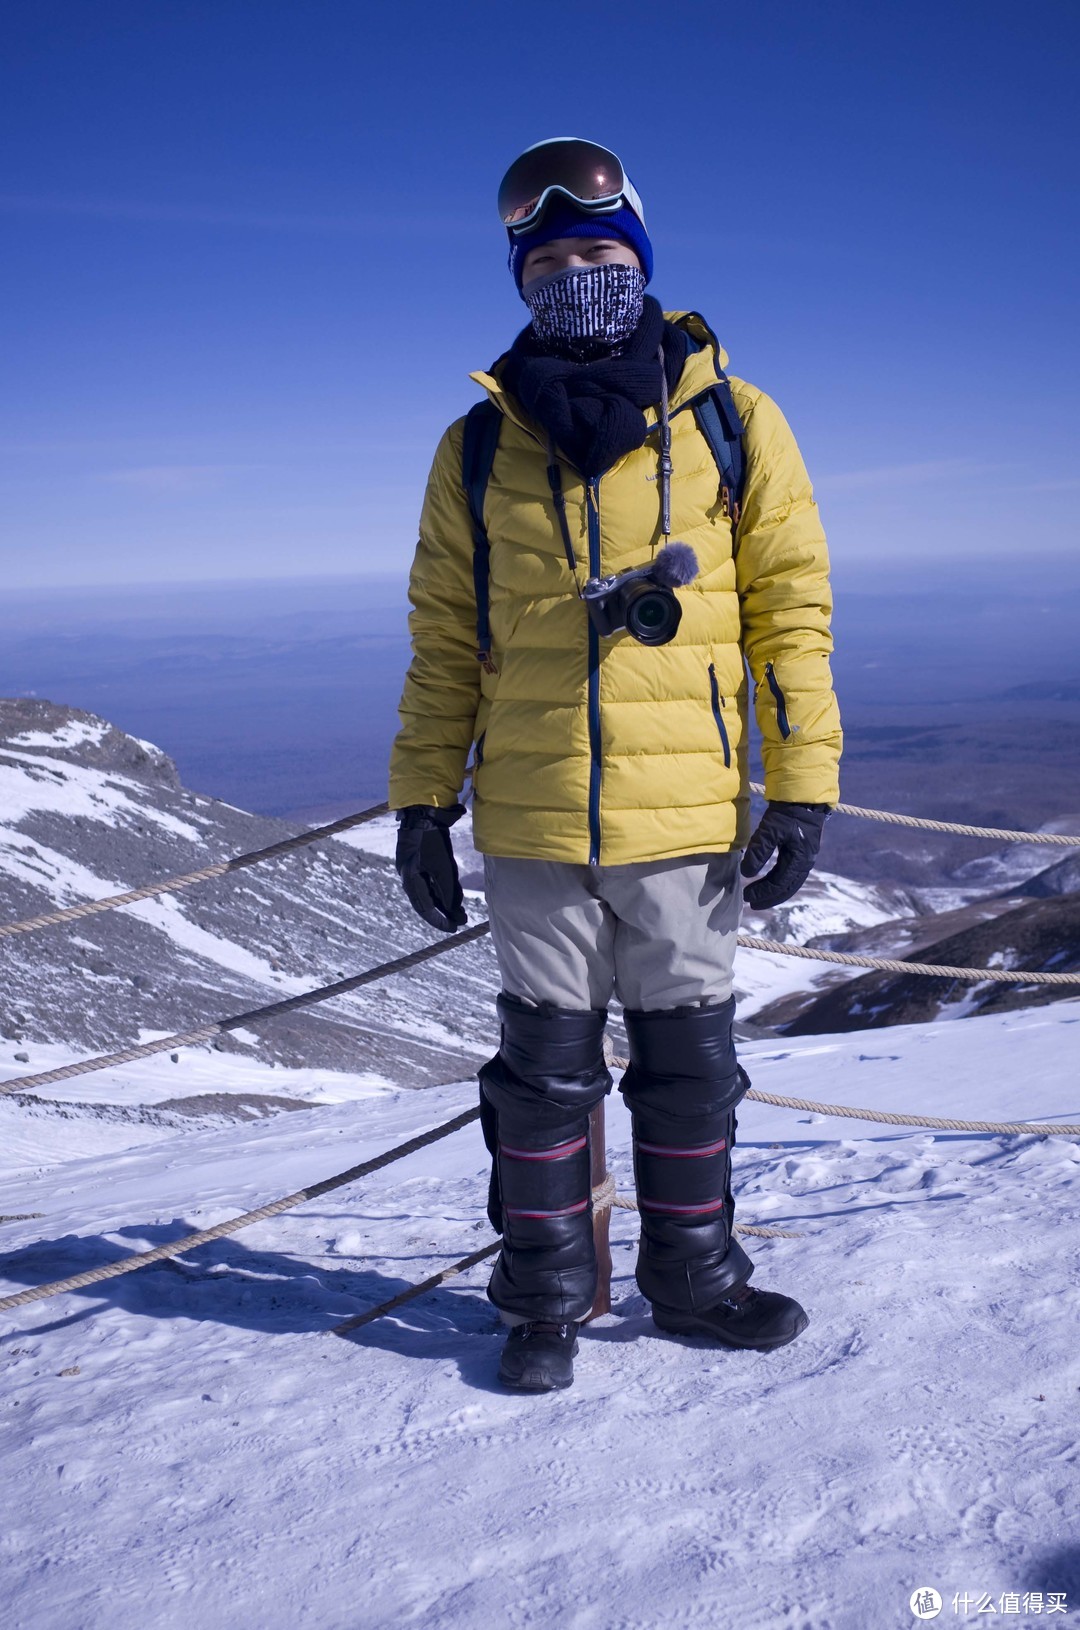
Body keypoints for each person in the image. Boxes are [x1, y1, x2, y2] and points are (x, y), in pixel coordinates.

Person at [389, 137, 842, 1391]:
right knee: (542, 1079)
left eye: (599, 251)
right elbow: (444, 642)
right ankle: (545, 1299)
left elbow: (790, 611)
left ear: (638, 255)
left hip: (687, 818)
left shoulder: (734, 424)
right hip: (533, 822)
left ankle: (696, 1280)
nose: (575, 273)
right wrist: (424, 798)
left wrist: (804, 782)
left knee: (690, 1072)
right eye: (549, 257)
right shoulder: (476, 448)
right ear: (519, 275)